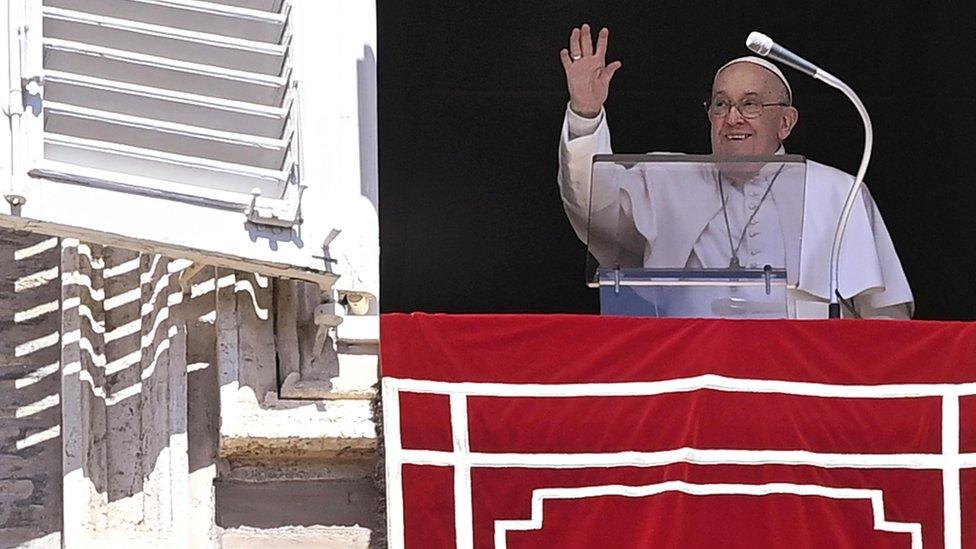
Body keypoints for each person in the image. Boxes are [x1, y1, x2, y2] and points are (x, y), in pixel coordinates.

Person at [557, 24, 913, 319]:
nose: (733, 117)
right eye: (721, 104)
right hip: (693, 372)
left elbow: (883, 315)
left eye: (751, 104)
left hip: (801, 380)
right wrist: (585, 114)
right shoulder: (665, 178)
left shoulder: (837, 191)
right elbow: (592, 203)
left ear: (786, 122)